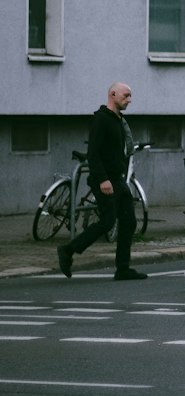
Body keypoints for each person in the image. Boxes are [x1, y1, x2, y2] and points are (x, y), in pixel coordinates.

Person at [57, 82, 147, 282]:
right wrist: (103, 179)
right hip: (105, 180)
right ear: (112, 94)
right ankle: (68, 250)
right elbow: (93, 153)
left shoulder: (118, 120)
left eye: (130, 96)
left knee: (129, 222)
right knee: (107, 221)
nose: (129, 100)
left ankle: (123, 268)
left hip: (118, 179)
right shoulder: (101, 119)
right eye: (125, 96)